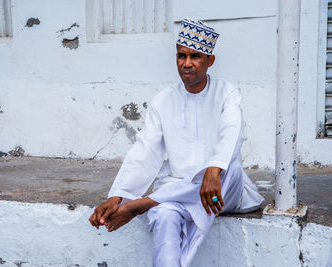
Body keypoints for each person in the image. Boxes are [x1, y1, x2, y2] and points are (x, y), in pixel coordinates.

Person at [89, 19, 264, 267]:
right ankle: (150, 205)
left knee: (230, 167)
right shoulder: (163, 101)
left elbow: (232, 130)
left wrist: (214, 169)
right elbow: (145, 149)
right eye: (181, 56)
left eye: (195, 56)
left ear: (209, 61)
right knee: (163, 215)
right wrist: (118, 196)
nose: (187, 63)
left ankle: (143, 205)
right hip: (178, 191)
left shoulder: (227, 92)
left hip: (220, 195)